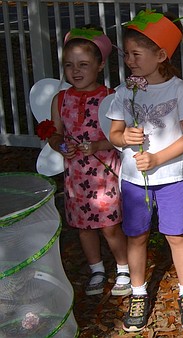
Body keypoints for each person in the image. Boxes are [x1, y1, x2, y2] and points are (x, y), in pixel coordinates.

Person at [106, 11, 183, 332]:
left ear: (161, 55)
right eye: (126, 54)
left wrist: (158, 158)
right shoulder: (125, 91)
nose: (129, 61)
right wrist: (125, 137)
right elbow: (114, 133)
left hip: (170, 179)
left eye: (136, 54)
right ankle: (138, 292)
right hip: (134, 181)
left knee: (176, 235)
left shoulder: (179, 91)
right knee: (137, 236)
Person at [47, 27, 129, 297]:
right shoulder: (61, 99)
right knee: (83, 227)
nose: (76, 71)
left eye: (83, 64)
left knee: (110, 225)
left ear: (100, 65)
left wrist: (97, 145)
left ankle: (123, 268)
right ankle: (96, 269)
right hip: (76, 177)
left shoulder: (110, 97)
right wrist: (61, 145)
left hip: (104, 174)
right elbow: (54, 133)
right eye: (69, 65)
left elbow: (120, 136)